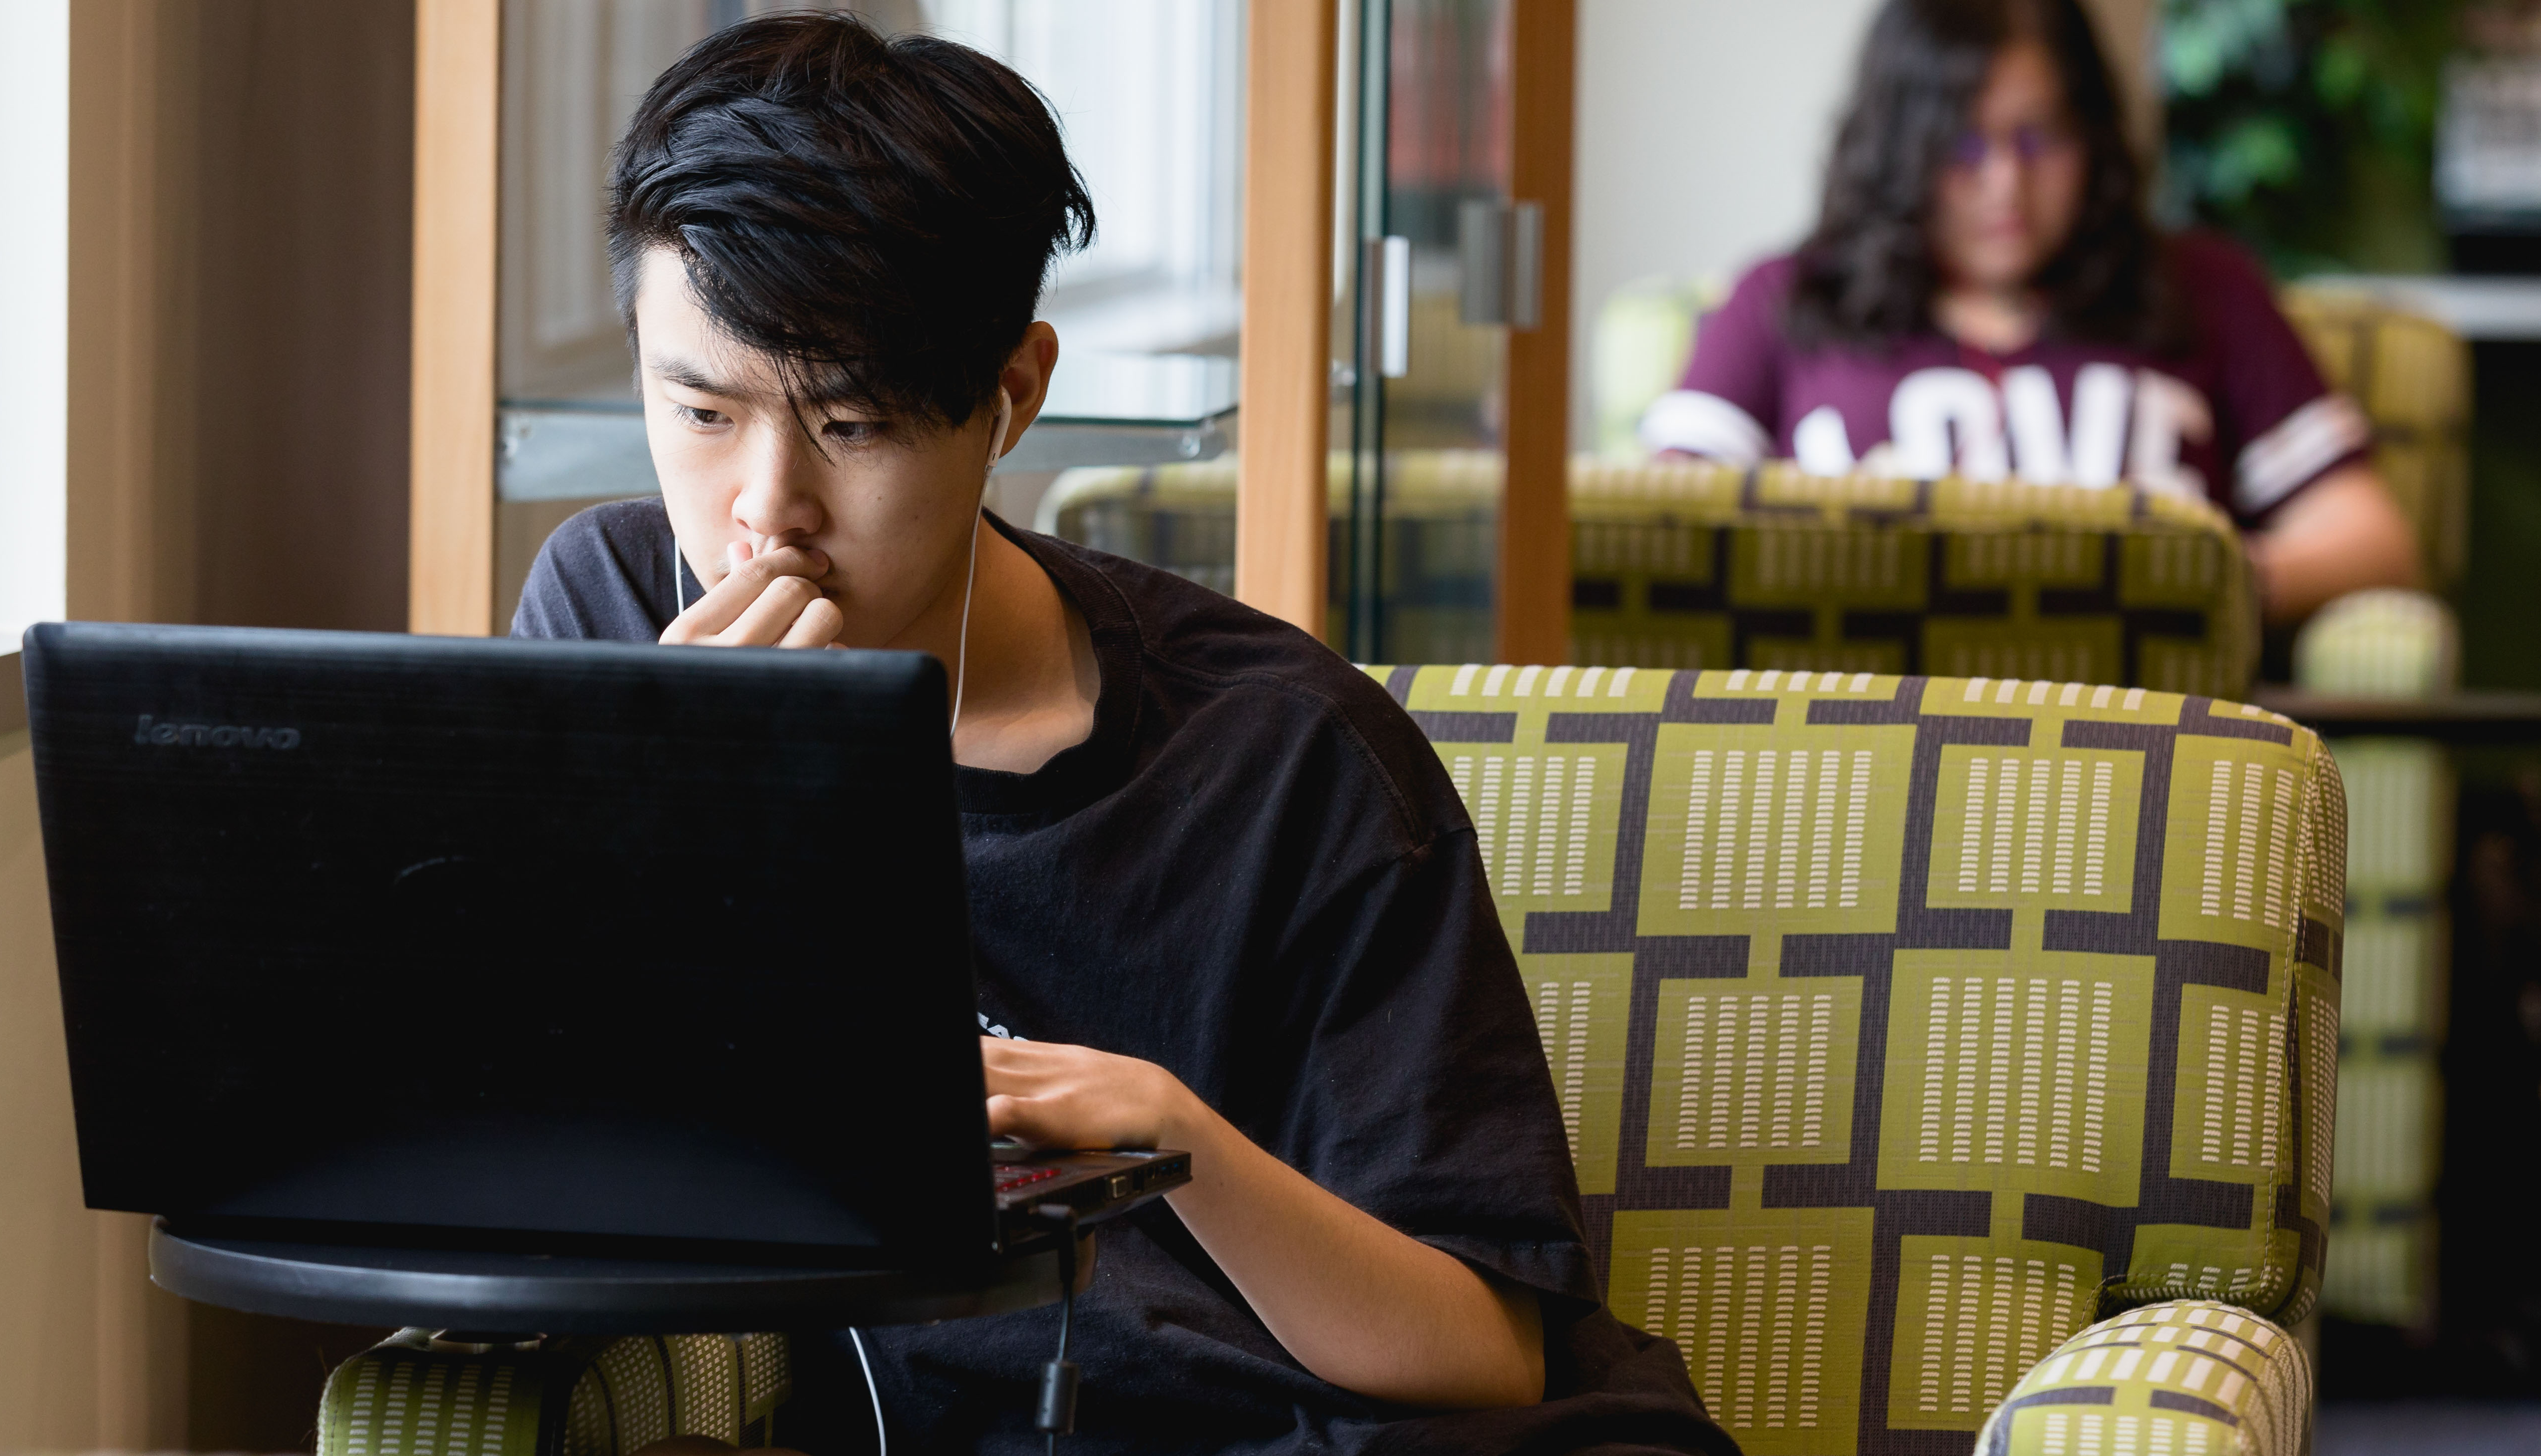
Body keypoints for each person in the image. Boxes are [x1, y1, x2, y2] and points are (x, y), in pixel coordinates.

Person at [510, 14, 1732, 1455]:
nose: (763, 507)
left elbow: (1483, 1351)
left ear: (1013, 392)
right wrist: (683, 822)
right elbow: (520, 1163)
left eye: (848, 425)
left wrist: (1173, 1136)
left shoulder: (1286, 760)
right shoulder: (613, 621)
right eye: (701, 409)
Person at [1636, 0, 2421, 623]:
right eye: (1962, 147)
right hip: (1855, 758)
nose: (2005, 183)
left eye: (2039, 138)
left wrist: (2203, 585)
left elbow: (2374, 541)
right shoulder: (1787, 297)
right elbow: (1657, 533)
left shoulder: (2204, 288)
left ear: (2093, 137)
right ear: (1900, 149)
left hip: (2145, 756)